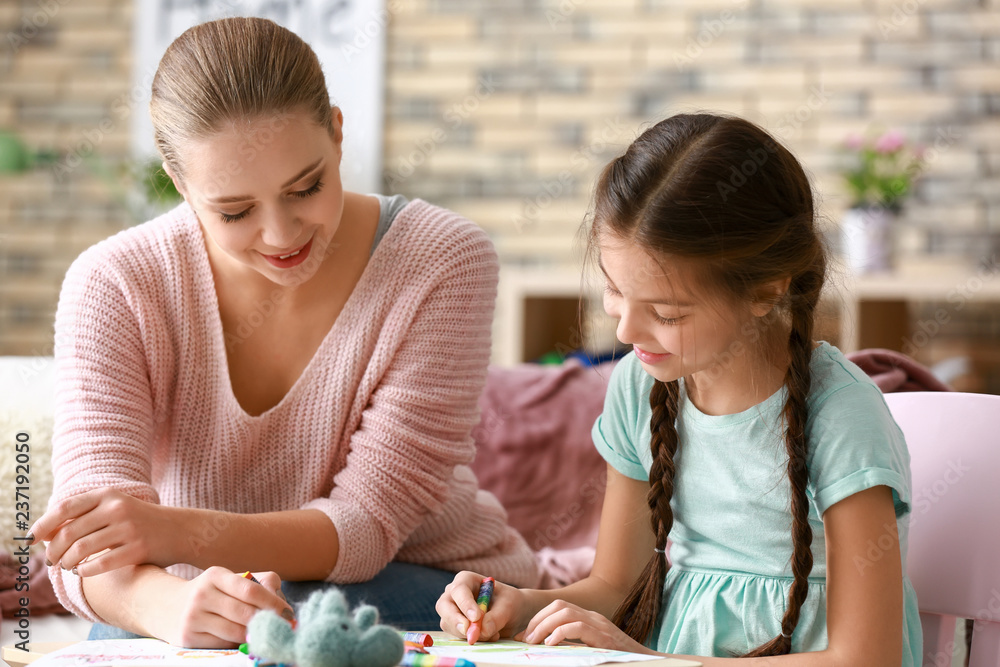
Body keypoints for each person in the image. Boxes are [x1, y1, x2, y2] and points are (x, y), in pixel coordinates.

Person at [29, 16, 539, 648]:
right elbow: (87, 551)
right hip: (201, 600)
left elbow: (366, 528)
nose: (281, 235)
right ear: (178, 179)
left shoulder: (441, 258)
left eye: (307, 187)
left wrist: (169, 533)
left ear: (337, 132)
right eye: (235, 211)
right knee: (120, 636)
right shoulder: (114, 284)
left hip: (427, 591)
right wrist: (165, 605)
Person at [437, 114, 922, 665]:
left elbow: (865, 657)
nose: (624, 332)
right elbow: (614, 586)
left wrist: (651, 662)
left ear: (767, 289)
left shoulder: (840, 416)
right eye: (614, 291)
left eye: (666, 312)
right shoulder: (637, 386)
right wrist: (516, 604)